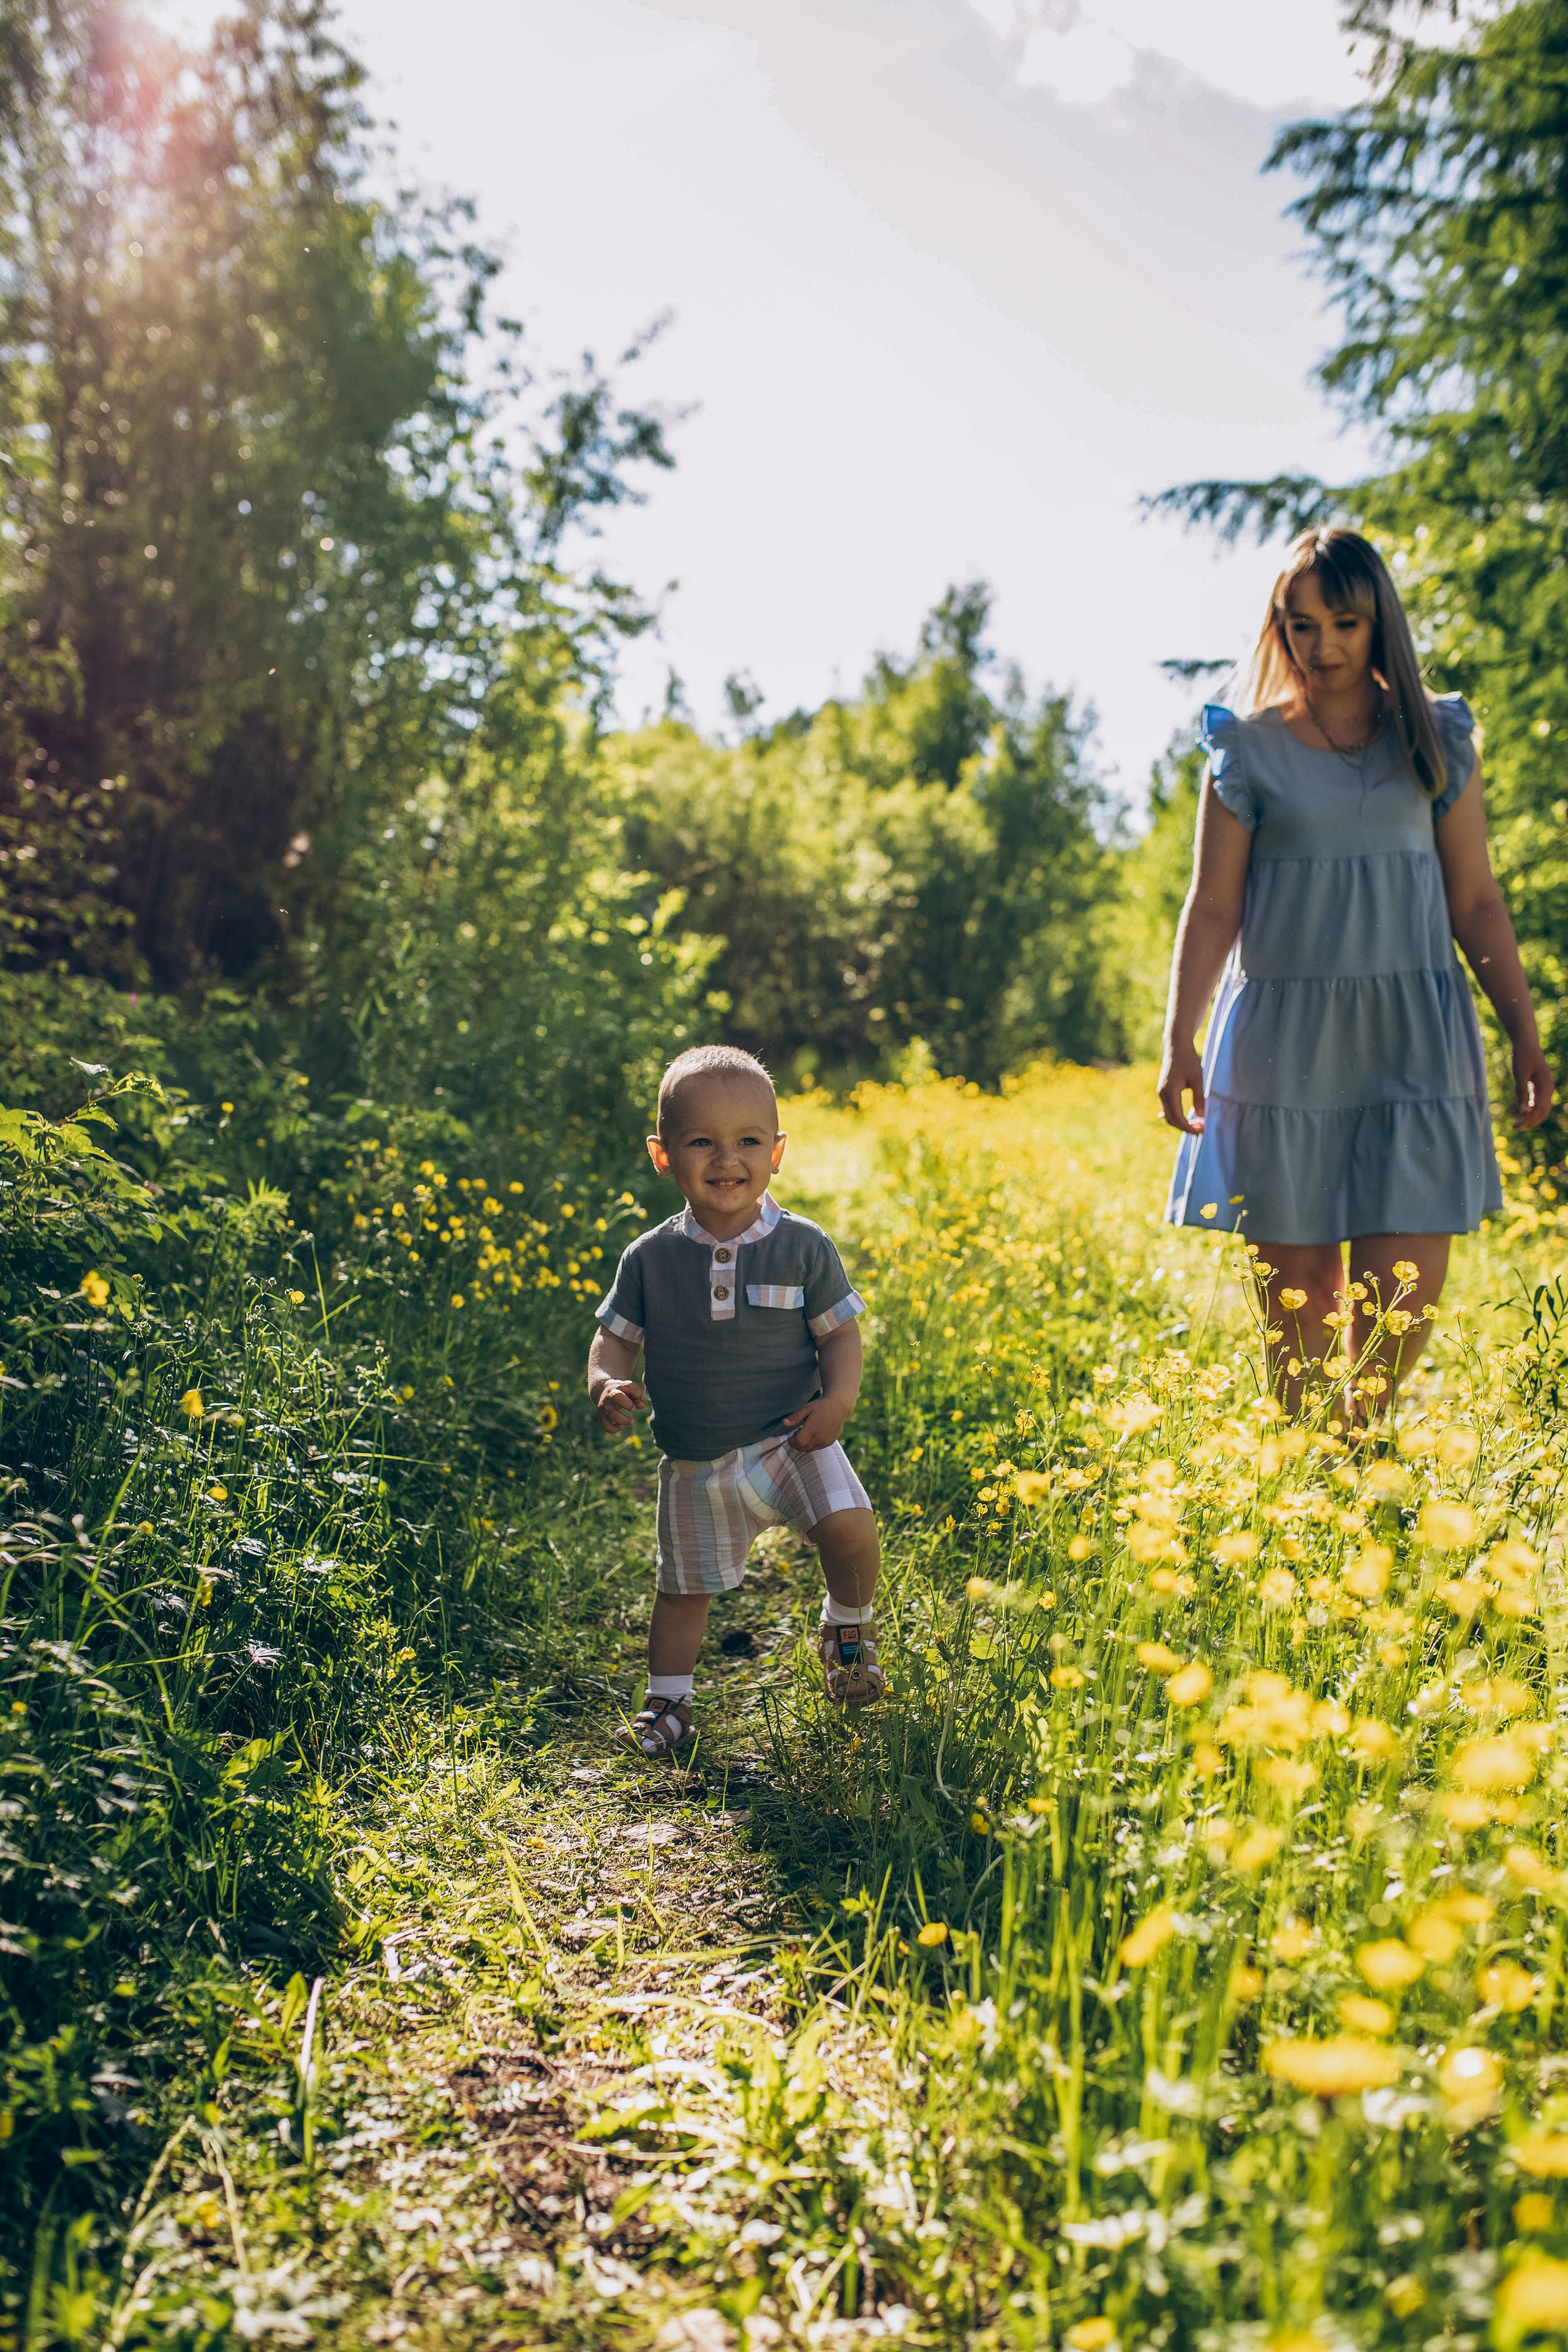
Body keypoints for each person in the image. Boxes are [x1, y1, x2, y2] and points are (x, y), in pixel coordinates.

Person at [1159, 526, 1553, 1417]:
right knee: (1299, 1306)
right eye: (1301, 625)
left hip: (1413, 1038)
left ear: (1380, 625)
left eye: (1345, 623)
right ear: (1279, 628)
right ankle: (1305, 1486)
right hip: (1284, 1045)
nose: (1323, 645)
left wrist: (1525, 1036)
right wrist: (1179, 1039)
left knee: (1401, 1297)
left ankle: (1361, 1451)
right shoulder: (1247, 749)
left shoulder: (1436, 740)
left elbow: (1477, 902)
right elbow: (1213, 906)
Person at [587, 1044, 883, 1758]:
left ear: (777, 1152)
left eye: (748, 1141)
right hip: (694, 1462)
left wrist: (837, 1401)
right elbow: (613, 1341)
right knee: (683, 1591)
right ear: (663, 1155)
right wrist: (605, 1382)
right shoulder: (649, 1259)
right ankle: (669, 1701)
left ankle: (847, 1627)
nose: (727, 1159)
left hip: (792, 1438)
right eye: (702, 1142)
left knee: (851, 1529)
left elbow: (840, 1335)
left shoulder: (803, 1246)